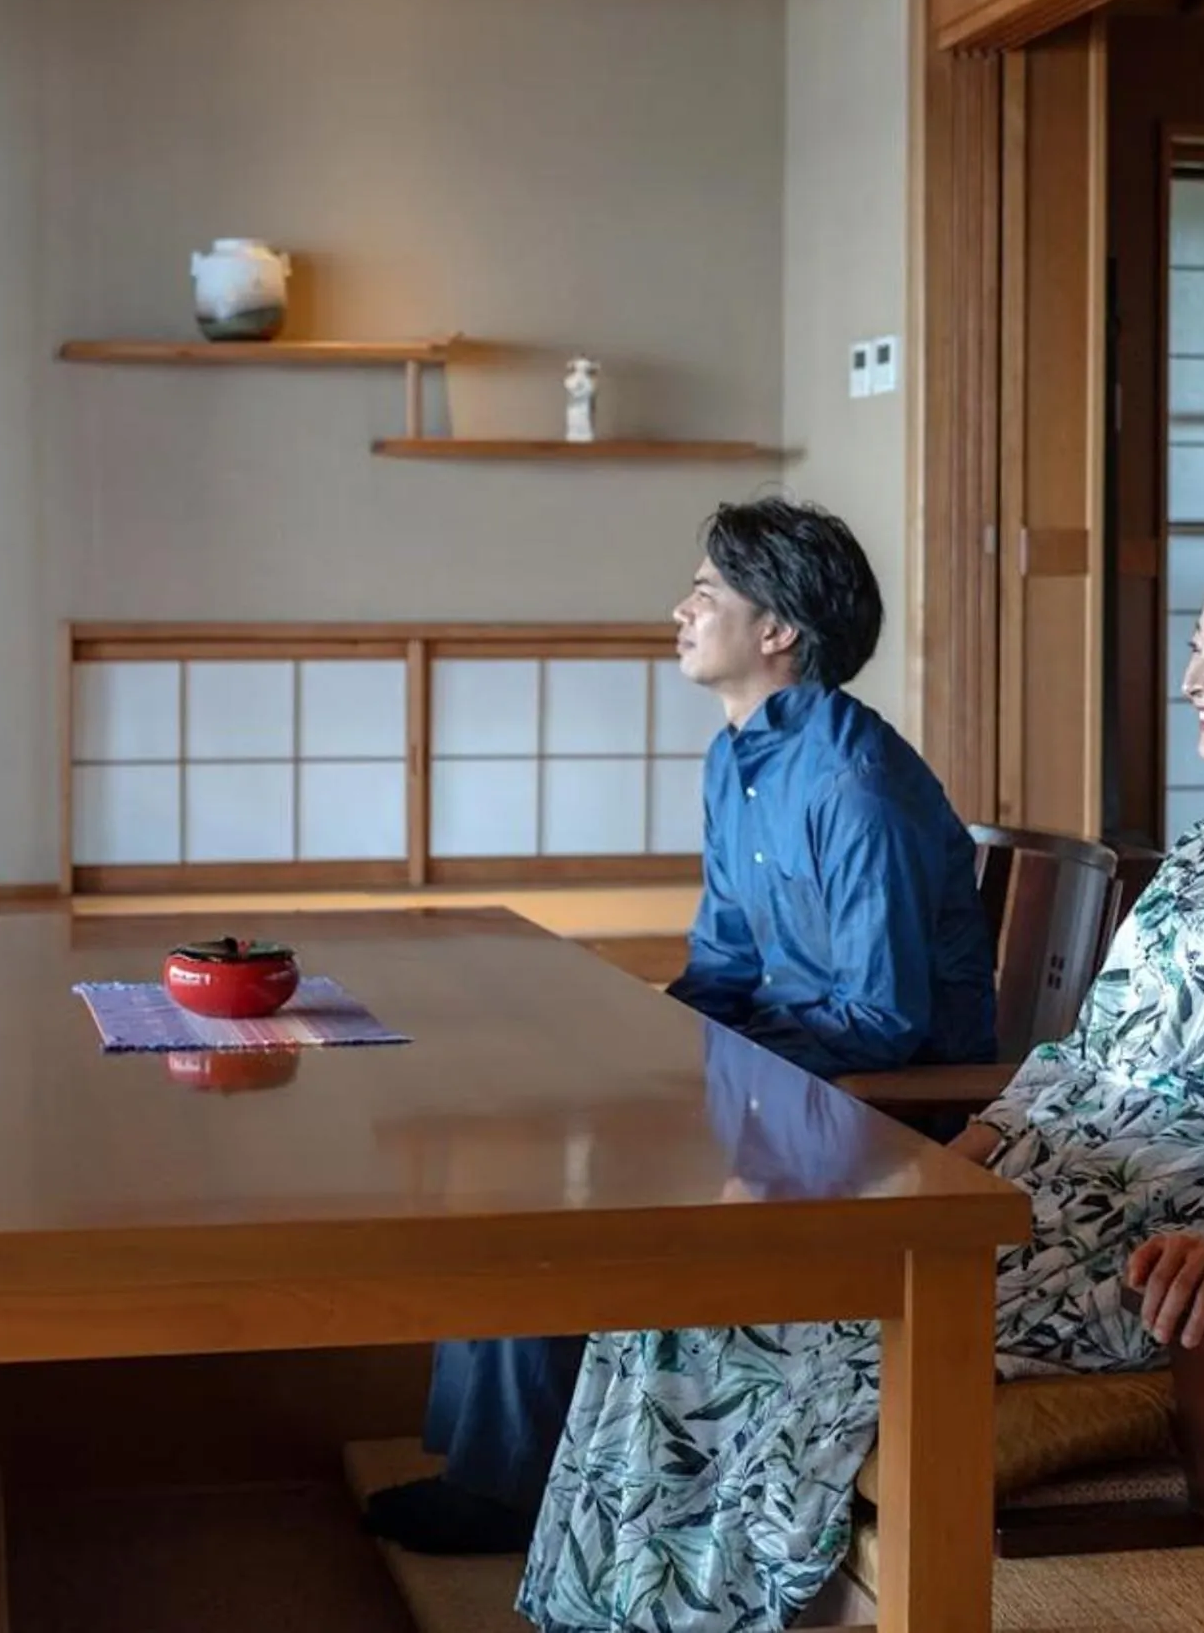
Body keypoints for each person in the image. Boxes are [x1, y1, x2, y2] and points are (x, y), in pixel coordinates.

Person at [515, 544, 1204, 1632]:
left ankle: (727, 1607)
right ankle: (613, 1612)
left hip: (1158, 1237)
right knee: (683, 1287)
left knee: (778, 1321)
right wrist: (932, 1170)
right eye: (1194, 649)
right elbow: (1074, 1064)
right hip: (1035, 1190)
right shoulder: (1196, 853)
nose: (1192, 677)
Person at [362, 497, 999, 1559]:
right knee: (522, 1150)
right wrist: (637, 1050)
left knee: (562, 1196)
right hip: (780, 1078)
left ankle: (510, 1487)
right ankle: (501, 1465)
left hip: (876, 1115)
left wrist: (694, 1077)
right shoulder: (736, 757)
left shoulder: (855, 784)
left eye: (705, 592)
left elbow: (885, 1020)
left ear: (777, 630)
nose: (680, 609)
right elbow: (724, 967)